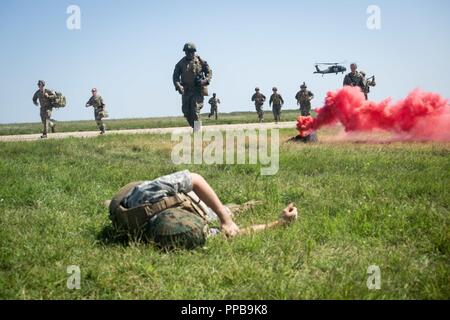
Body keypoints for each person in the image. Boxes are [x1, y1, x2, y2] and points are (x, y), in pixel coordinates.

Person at [107, 170, 298, 250]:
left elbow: (195, 179)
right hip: (128, 204)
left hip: (135, 191)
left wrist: (225, 219)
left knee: (221, 212)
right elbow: (237, 235)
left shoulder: (152, 190)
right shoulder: (168, 236)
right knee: (214, 213)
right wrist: (279, 224)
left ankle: (233, 209)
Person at [173, 43, 212, 131]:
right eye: (187, 52)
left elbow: (209, 72)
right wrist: (178, 86)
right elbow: (175, 76)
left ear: (194, 52)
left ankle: (197, 132)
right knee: (186, 112)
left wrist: (205, 80)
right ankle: (195, 127)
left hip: (197, 90)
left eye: (191, 52)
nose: (189, 53)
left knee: (195, 110)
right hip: (186, 91)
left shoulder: (200, 60)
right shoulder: (180, 63)